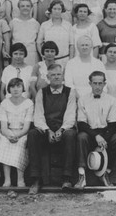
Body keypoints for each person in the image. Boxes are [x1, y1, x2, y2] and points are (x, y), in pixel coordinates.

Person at [28, 64, 77, 194]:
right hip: (46, 130)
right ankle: (36, 179)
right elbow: (38, 115)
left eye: (58, 74)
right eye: (53, 75)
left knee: (71, 135)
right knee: (33, 134)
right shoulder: (41, 92)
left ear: (63, 76)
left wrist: (61, 130)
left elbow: (70, 115)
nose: (56, 77)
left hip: (63, 129)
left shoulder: (70, 92)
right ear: (48, 77)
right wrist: (47, 131)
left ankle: (66, 179)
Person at [74, 71, 116, 189]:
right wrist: (96, 136)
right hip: (89, 133)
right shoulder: (83, 100)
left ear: (104, 84)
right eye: (95, 83)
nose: (97, 87)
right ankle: (81, 175)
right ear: (90, 84)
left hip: (106, 132)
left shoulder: (111, 100)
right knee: (81, 137)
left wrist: (104, 139)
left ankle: (106, 172)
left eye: (100, 83)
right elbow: (81, 123)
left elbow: (113, 124)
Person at [0, 78, 33, 188]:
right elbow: (3, 126)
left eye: (18, 86)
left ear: (23, 88)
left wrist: (17, 135)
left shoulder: (28, 103)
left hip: (22, 132)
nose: (15, 89)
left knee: (21, 144)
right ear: (8, 89)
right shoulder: (4, 103)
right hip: (7, 132)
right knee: (4, 143)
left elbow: (27, 127)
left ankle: (20, 179)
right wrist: (9, 135)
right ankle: (7, 179)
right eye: (12, 87)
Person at [36, 0, 74, 68]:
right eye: (54, 9)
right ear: (51, 10)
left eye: (59, 9)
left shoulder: (68, 25)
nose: (57, 11)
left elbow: (71, 45)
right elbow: (39, 43)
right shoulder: (44, 25)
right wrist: (43, 56)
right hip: (49, 61)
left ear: (62, 10)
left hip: (64, 61)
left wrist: (70, 61)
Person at [9, 0, 41, 66]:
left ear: (31, 8)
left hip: (31, 55)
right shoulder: (13, 23)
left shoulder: (35, 23)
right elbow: (8, 40)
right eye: (22, 6)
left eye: (28, 6)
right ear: (19, 8)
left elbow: (38, 42)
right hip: (17, 55)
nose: (25, 8)